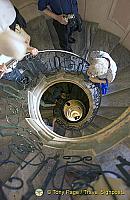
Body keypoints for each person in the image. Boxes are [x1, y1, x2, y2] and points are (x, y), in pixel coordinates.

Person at [0, 0, 38, 81]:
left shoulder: (6, 21)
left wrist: (29, 49)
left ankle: (21, 75)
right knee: (13, 75)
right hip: (7, 70)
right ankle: (19, 78)